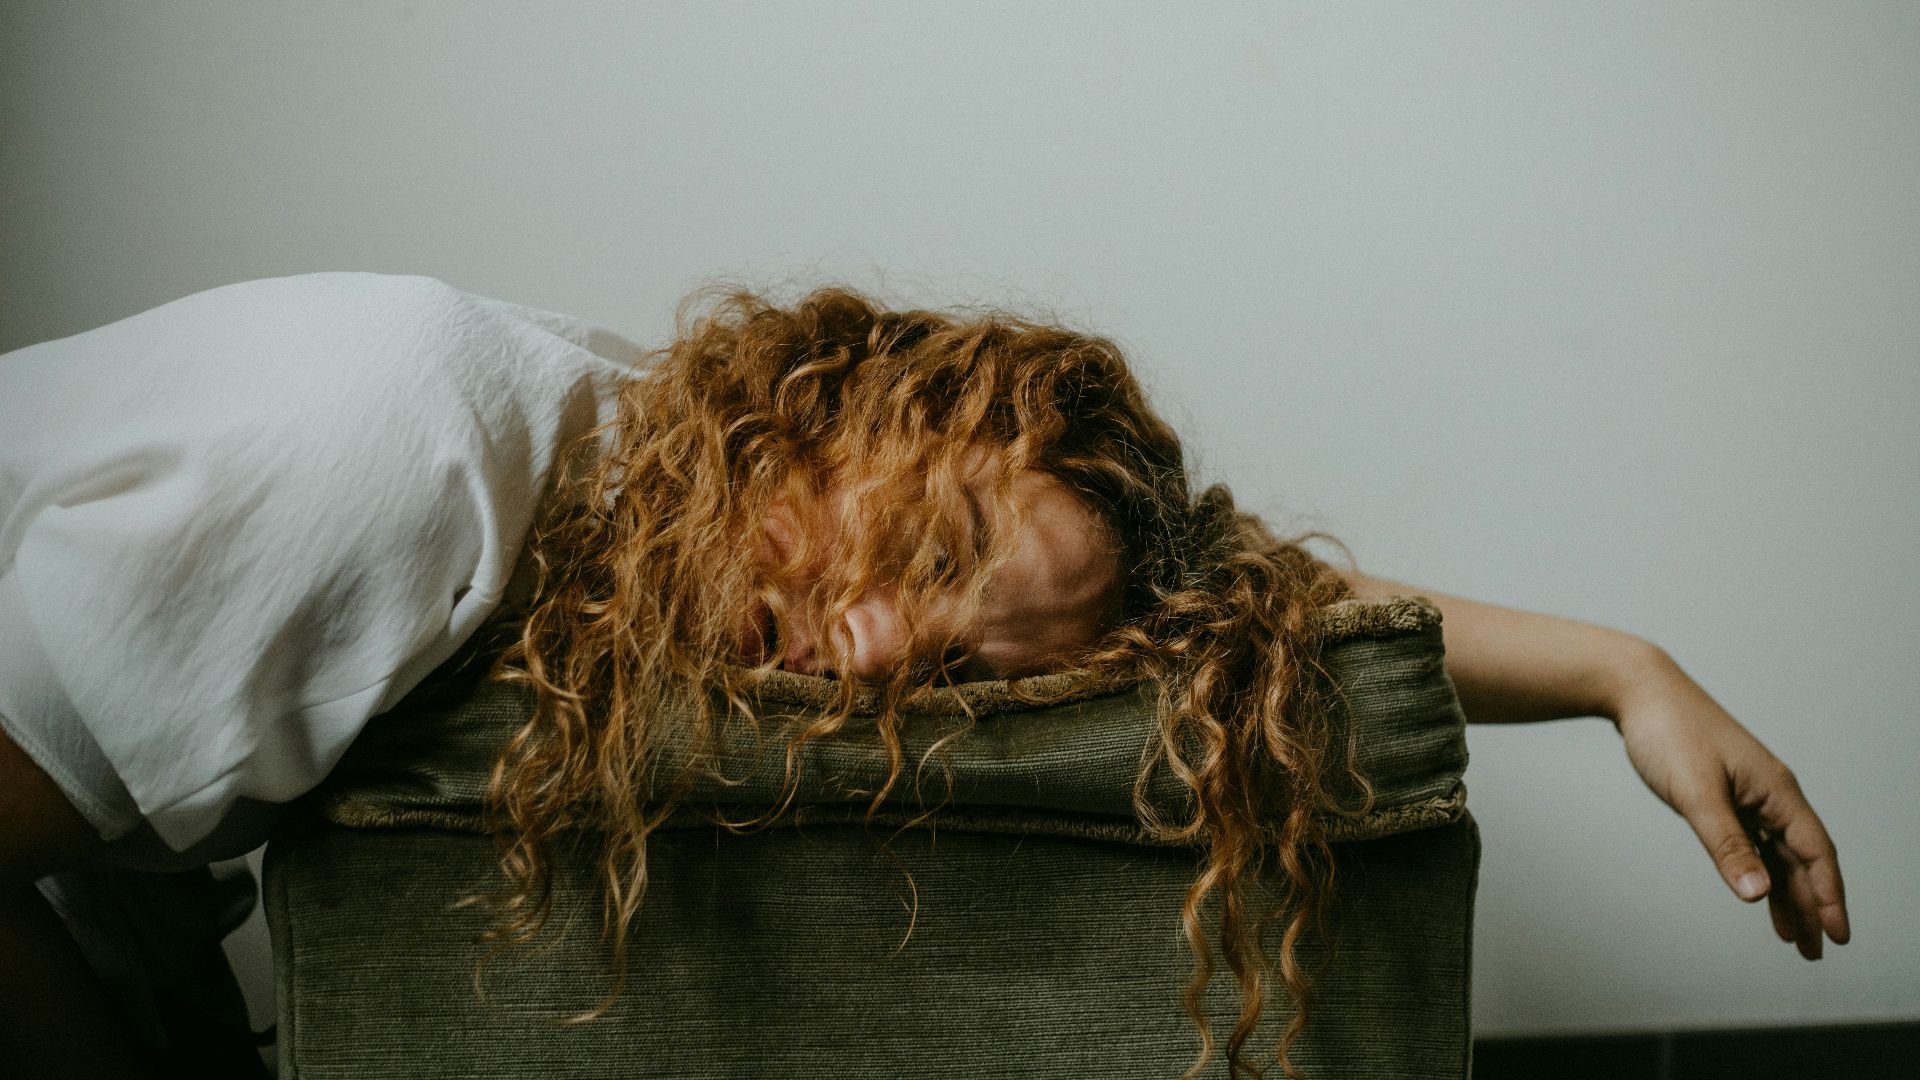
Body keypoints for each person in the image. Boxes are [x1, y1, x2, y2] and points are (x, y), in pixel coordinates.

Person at [0, 274, 1850, 1078]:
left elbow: (1246, 597)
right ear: (860, 407)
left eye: (958, 660)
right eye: (937, 550)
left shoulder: (633, 473)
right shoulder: (401, 453)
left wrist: (1625, 669)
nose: (875, 658)